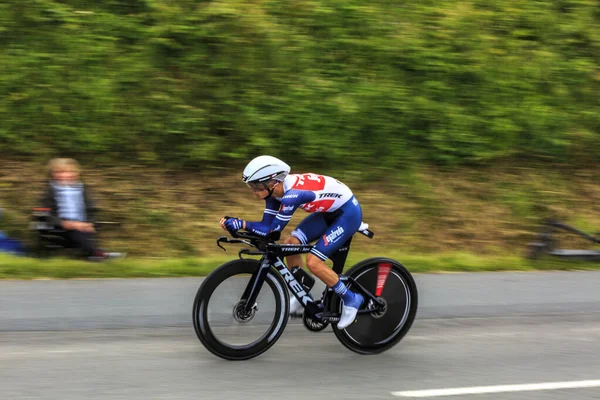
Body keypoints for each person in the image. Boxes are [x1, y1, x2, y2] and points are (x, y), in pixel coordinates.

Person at [219, 155, 364, 329]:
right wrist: (238, 225)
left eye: (256, 186)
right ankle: (303, 290)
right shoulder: (274, 194)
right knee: (290, 243)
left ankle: (352, 299)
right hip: (328, 213)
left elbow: (272, 232)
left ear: (272, 183)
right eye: (251, 186)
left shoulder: (291, 196)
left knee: (314, 262)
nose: (253, 190)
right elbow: (265, 226)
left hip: (347, 214)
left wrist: (241, 223)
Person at [39, 158, 124, 261]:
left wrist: (90, 223)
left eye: (69, 172)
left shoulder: (82, 189)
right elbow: (44, 214)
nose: (64, 175)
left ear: (76, 174)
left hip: (82, 224)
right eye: (60, 172)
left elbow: (90, 208)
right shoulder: (49, 192)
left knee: (85, 231)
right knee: (77, 231)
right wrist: (65, 223)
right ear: (53, 174)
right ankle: (97, 253)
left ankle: (93, 253)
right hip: (61, 226)